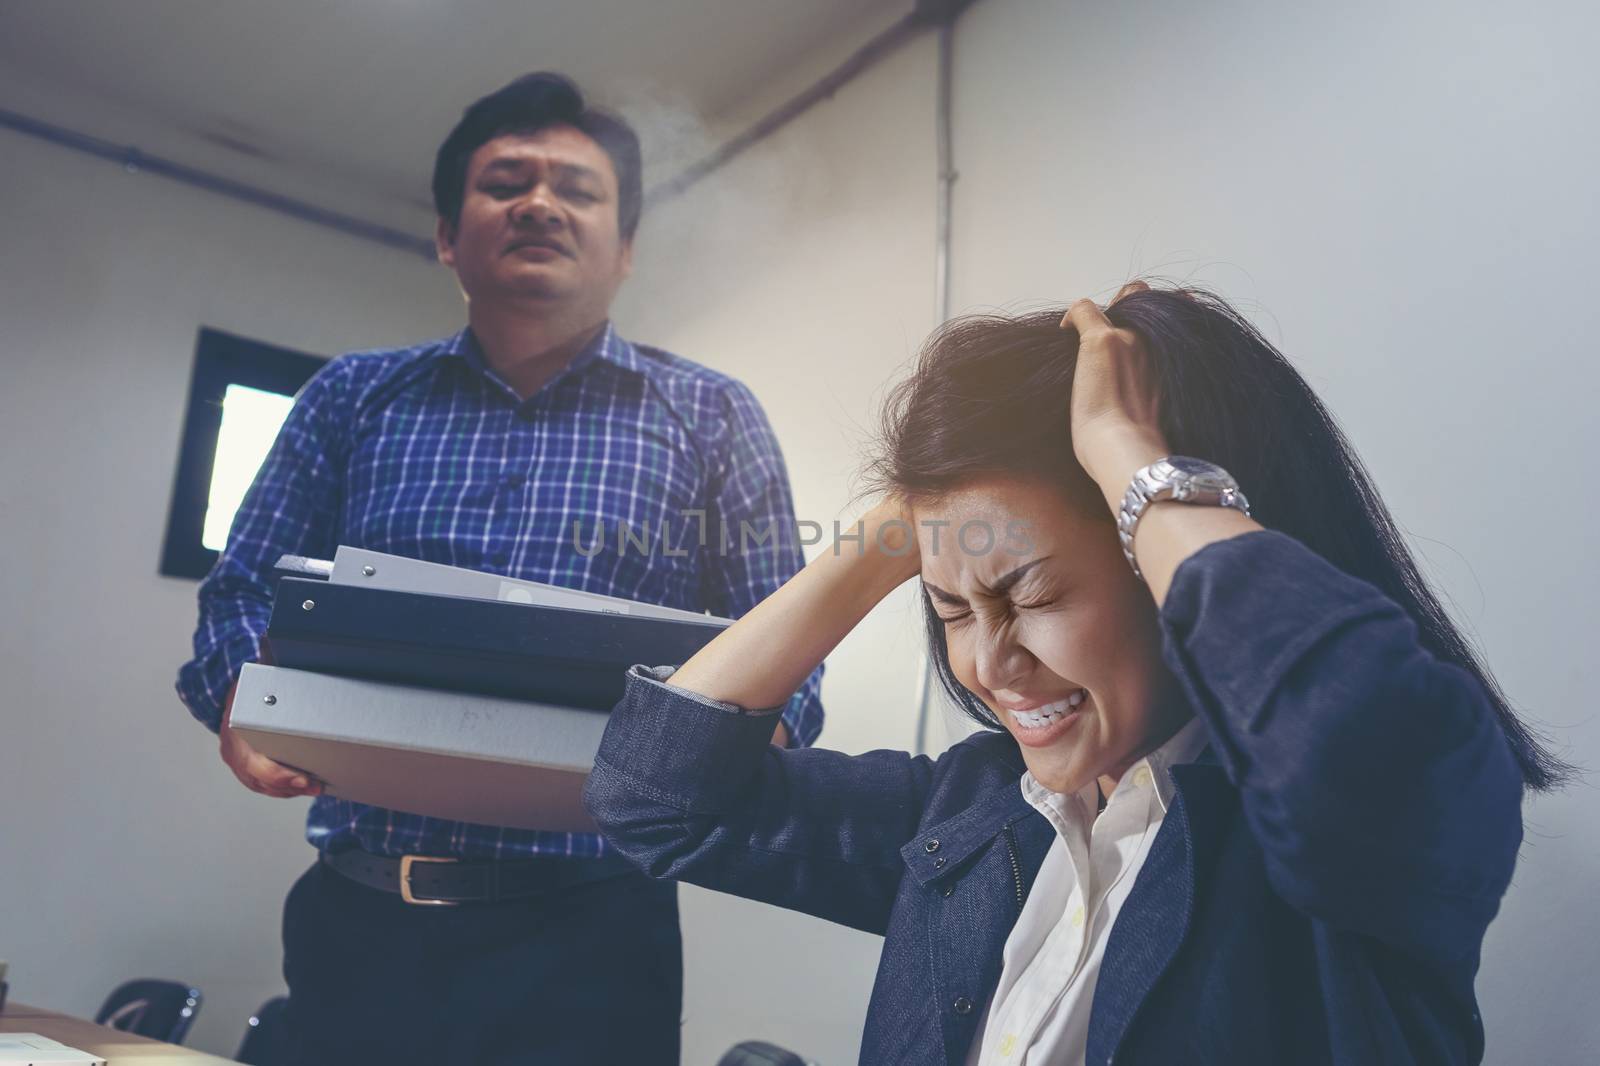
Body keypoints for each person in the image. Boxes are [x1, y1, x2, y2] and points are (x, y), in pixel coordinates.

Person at [584, 282, 1565, 1065]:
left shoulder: (1369, 815)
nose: (991, 662)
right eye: (952, 612)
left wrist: (1129, 459)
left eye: (1033, 593)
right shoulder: (971, 812)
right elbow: (655, 797)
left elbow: (1339, 724)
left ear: (1156, 565)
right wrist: (898, 525)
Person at [176, 72, 824, 1066]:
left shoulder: (711, 416)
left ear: (624, 247)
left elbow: (784, 633)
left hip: (594, 937)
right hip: (357, 919)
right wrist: (240, 699)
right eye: (506, 181)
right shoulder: (352, 396)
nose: (538, 203)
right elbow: (241, 588)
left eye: (576, 187)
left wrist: (759, 733)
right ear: (447, 235)